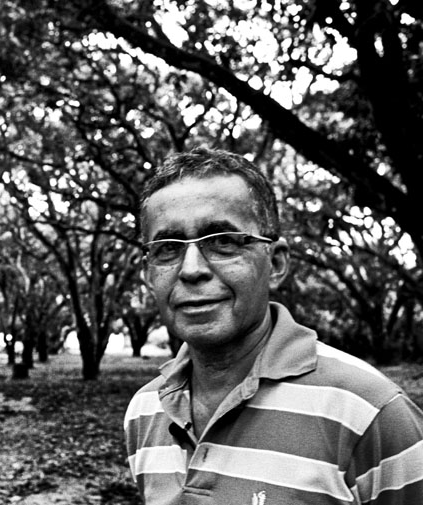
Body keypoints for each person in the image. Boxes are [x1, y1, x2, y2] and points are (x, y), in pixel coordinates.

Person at [124, 147, 423, 504]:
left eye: (223, 242)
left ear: (276, 263)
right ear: (148, 275)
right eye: (167, 248)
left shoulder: (368, 413)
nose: (191, 270)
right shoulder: (145, 411)